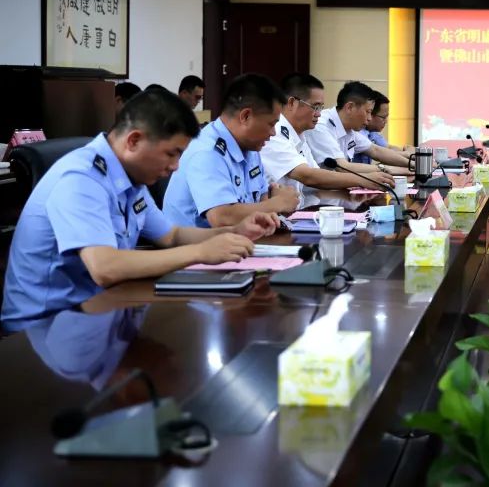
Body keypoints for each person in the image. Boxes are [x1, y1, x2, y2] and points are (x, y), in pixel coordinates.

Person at [1, 89, 277, 332]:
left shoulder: (128, 175)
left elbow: (171, 235)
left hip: (99, 308)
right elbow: (105, 267)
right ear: (133, 141)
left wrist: (233, 231)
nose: (175, 167)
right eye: (172, 153)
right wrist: (200, 253)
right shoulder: (81, 178)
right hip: (44, 326)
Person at [164, 73, 299, 228]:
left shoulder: (251, 148)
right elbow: (222, 217)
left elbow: (260, 201)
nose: (274, 133)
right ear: (246, 116)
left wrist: (273, 199)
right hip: (194, 248)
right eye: (271, 124)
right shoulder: (207, 152)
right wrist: (277, 204)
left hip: (237, 243)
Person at [261, 73, 395, 191]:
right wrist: (364, 180)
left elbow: (317, 176)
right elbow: (308, 176)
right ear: (291, 103)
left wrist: (353, 195)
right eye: (315, 107)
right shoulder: (276, 132)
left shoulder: (300, 135)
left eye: (321, 107)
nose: (319, 114)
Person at [306, 81, 408, 179]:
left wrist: (412, 165)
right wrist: (395, 170)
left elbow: (375, 150)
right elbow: (343, 167)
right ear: (350, 107)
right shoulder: (320, 126)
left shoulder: (350, 129)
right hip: (318, 194)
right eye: (368, 112)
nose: (369, 118)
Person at [353, 90, 415, 165]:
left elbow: (387, 148)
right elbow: (378, 152)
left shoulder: (372, 132)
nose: (386, 121)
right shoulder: (357, 131)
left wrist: (406, 150)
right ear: (370, 114)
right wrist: (409, 155)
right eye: (383, 117)